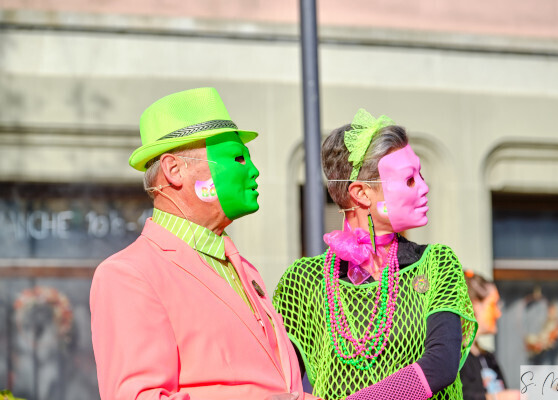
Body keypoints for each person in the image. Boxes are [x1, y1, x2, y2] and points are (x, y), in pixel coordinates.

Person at [90, 88, 318, 400]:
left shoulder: (242, 267)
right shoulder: (129, 274)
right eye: (238, 157)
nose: (253, 171)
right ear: (174, 170)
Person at [273, 109, 478, 400]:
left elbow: (440, 365)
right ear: (361, 193)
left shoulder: (437, 263)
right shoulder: (304, 280)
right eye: (409, 180)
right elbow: (277, 377)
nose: (424, 187)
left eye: (420, 175)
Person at [460, 270, 519, 400]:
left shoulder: (488, 358)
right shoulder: (455, 358)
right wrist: (495, 398)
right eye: (493, 304)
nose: (498, 313)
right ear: (474, 305)